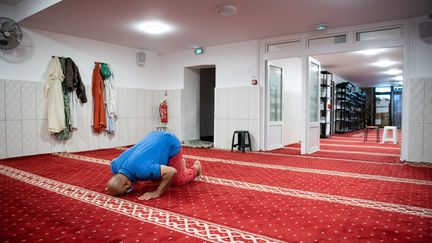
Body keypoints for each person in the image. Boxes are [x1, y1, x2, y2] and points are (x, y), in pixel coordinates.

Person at [106, 131, 202, 200]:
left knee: (176, 181)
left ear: (126, 184)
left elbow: (171, 171)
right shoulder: (115, 166)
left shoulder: (142, 170)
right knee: (154, 178)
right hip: (154, 135)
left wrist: (157, 193)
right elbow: (113, 160)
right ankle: (180, 164)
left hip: (170, 141)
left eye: (126, 191)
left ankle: (196, 169)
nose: (128, 191)